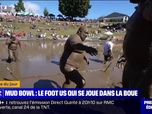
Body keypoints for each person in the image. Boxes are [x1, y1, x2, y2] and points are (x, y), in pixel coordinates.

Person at [116, 0, 152, 98]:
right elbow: (135, 35)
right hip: (131, 66)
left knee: (143, 105)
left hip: (145, 69)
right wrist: (125, 55)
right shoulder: (140, 8)